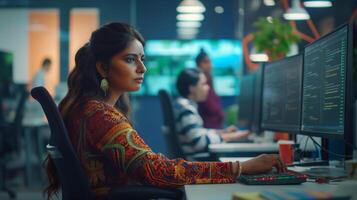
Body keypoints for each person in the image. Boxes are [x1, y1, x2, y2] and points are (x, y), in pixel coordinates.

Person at [44, 22, 286, 200]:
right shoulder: (100, 115)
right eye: (130, 59)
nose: (142, 68)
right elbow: (155, 171)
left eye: (142, 58)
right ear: (103, 67)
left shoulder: (90, 109)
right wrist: (241, 168)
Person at [174, 68, 250, 156]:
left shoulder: (183, 105)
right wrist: (232, 136)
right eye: (203, 84)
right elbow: (200, 142)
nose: (208, 88)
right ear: (192, 88)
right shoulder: (186, 109)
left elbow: (198, 132)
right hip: (195, 164)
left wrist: (222, 132)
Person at [195, 49, 224, 129]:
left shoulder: (210, 81)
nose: (210, 65)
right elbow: (210, 108)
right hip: (208, 129)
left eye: (210, 62)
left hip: (215, 129)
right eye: (206, 62)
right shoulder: (198, 83)